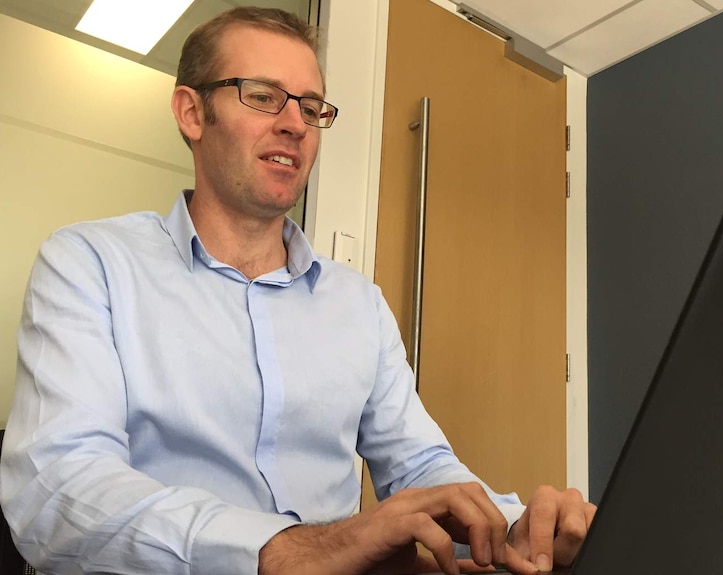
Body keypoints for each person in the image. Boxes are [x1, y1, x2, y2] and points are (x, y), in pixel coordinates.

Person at [0, 7, 595, 575]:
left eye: (311, 107)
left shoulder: (359, 305)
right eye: (262, 96)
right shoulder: (91, 263)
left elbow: (420, 465)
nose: (294, 123)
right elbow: (58, 488)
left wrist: (515, 529)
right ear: (191, 112)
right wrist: (285, 553)